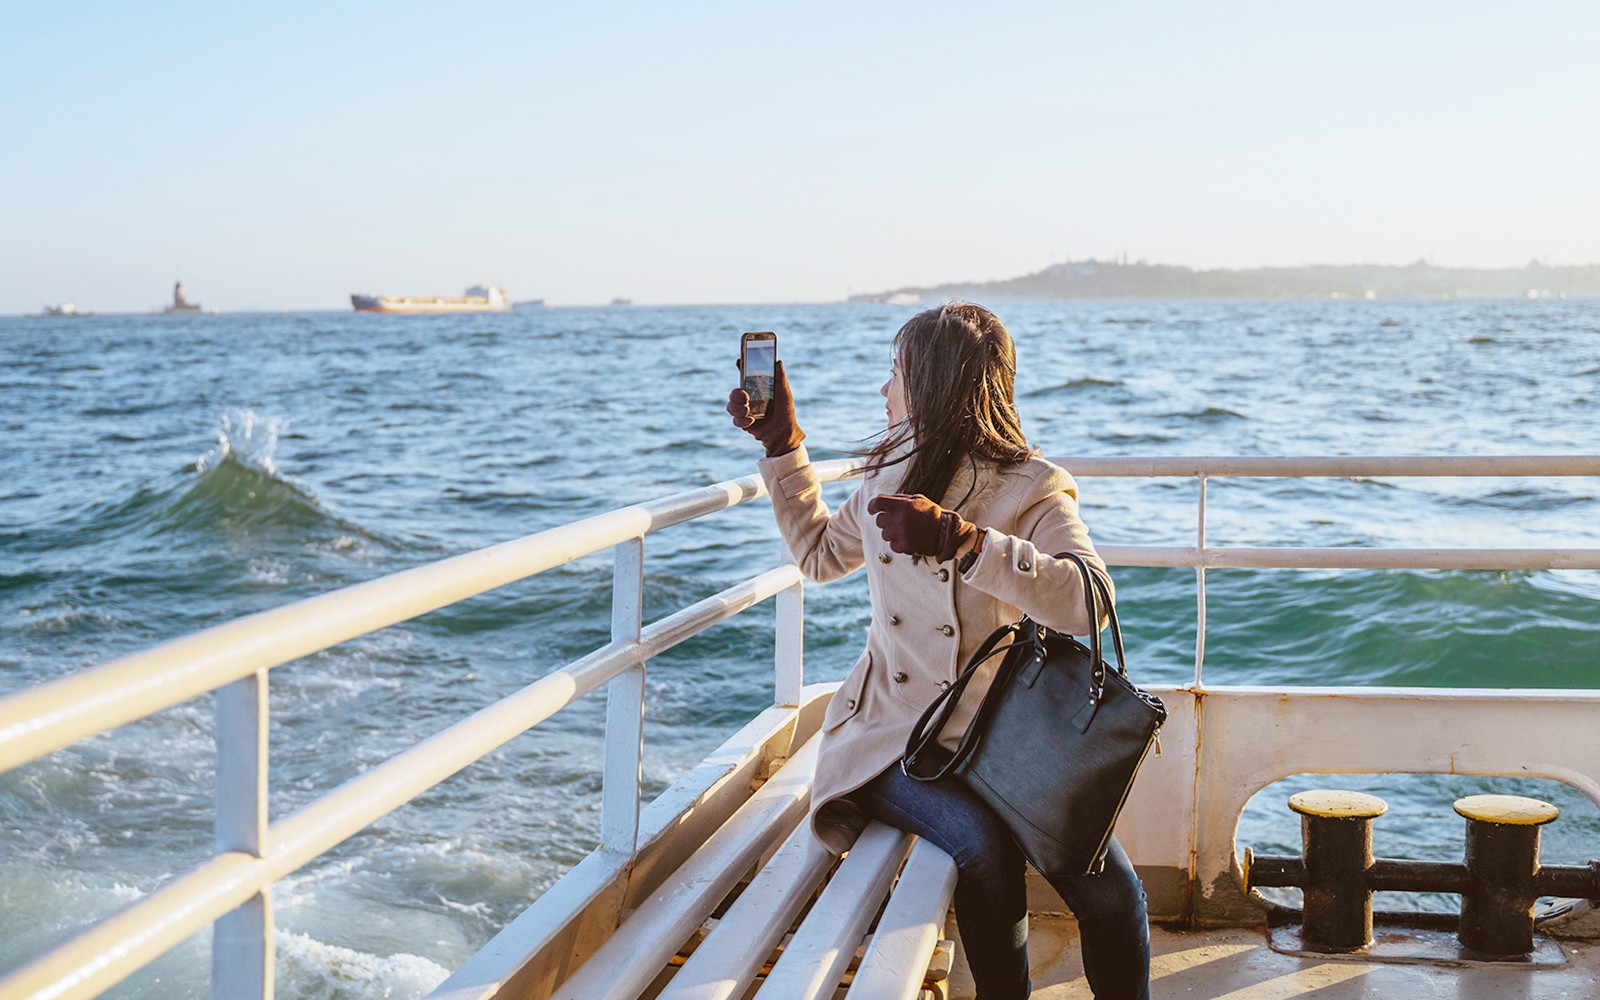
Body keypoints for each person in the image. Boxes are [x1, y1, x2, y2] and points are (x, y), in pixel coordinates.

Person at [726, 303, 1150, 1000]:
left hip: (1005, 742)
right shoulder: (887, 476)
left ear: (929, 385)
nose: (883, 391)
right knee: (985, 848)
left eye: (893, 373)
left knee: (1114, 893)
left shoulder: (1033, 486)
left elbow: (1087, 598)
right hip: (891, 737)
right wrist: (782, 444)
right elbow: (819, 555)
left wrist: (968, 543)